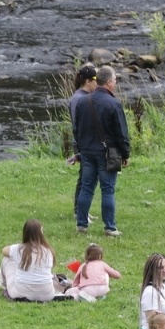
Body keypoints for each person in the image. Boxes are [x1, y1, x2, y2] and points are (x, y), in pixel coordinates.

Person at [71, 65, 130, 237]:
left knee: (86, 188)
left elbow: (77, 129)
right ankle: (110, 227)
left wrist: (80, 150)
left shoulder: (82, 101)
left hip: (87, 151)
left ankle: (81, 225)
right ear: (109, 82)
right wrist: (125, 154)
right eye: (115, 80)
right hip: (107, 152)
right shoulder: (113, 103)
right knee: (107, 189)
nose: (115, 83)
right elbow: (121, 132)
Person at [0, 219, 57, 302]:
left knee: (7, 258)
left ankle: (3, 284)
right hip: (47, 295)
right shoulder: (48, 251)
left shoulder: (18, 249)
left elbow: (4, 250)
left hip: (20, 293)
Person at [67, 64, 98, 220]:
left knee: (89, 177)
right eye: (95, 80)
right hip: (82, 143)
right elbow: (76, 125)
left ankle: (83, 209)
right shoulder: (78, 98)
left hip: (88, 142)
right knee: (85, 177)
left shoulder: (86, 96)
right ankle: (79, 211)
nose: (97, 83)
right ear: (87, 81)